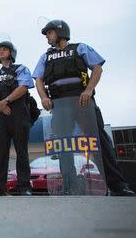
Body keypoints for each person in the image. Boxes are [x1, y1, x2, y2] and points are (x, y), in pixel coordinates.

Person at [33, 19, 135, 196]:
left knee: (99, 141)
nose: (47, 37)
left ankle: (117, 185)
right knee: (64, 145)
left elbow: (97, 68)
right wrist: (43, 97)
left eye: (49, 33)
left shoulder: (80, 48)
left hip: (82, 100)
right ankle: (69, 186)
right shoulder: (45, 56)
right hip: (59, 103)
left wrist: (89, 90)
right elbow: (38, 79)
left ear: (60, 32)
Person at [0, 41, 34, 196]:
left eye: (4, 49)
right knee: (1, 152)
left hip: (18, 113)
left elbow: (24, 86)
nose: (1, 52)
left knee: (21, 151)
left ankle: (24, 186)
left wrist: (6, 101)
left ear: (11, 52)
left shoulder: (20, 69)